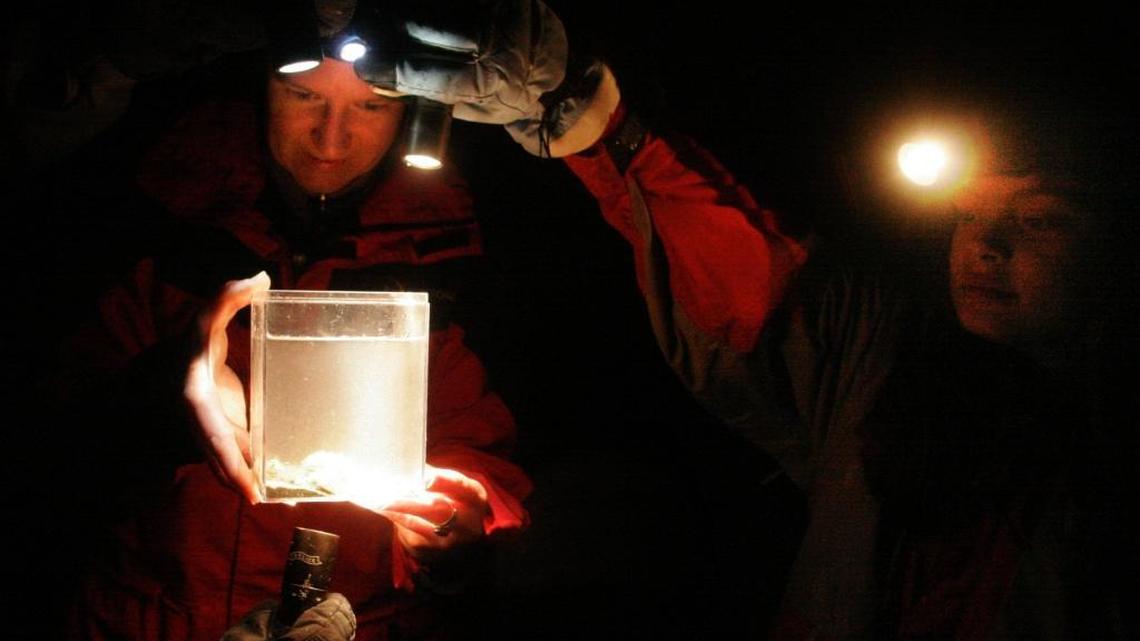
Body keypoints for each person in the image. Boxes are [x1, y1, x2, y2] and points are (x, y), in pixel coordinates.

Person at [360, 4, 1139, 639]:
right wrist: (588, 113)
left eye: (1040, 220)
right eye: (969, 212)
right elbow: (748, 277)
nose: (986, 245)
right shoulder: (895, 364)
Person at [37, 5, 542, 641]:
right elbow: (54, 447)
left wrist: (457, 531)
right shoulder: (157, 218)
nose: (331, 139)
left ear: (416, 110)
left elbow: (484, 457)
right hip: (140, 621)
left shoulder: (455, 256)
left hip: (354, 625)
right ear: (261, 85)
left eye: (371, 105)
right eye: (304, 95)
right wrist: (164, 399)